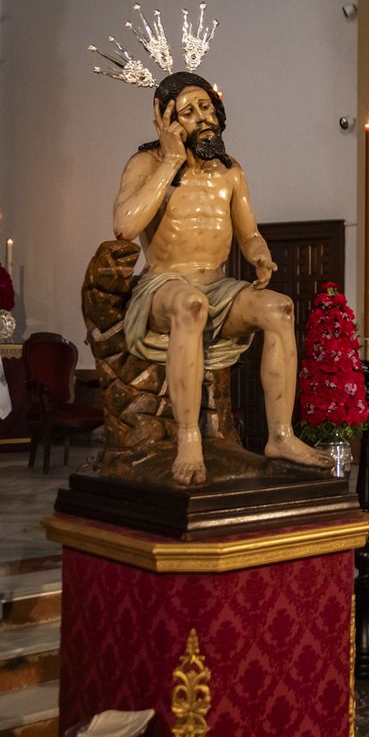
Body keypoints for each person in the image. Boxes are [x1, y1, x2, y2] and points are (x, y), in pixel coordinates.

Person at [113, 71, 331, 485]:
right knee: (191, 305)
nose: (203, 118)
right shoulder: (146, 164)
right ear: (166, 121)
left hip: (218, 286)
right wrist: (171, 160)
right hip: (163, 285)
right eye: (188, 112)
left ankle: (281, 436)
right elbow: (124, 226)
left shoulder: (231, 172)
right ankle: (189, 438)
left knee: (280, 309)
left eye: (206, 107)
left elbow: (248, 233)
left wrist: (260, 254)